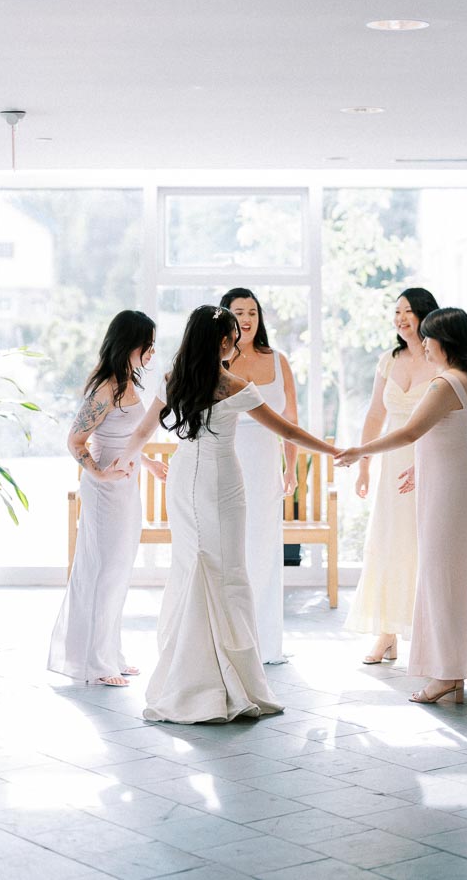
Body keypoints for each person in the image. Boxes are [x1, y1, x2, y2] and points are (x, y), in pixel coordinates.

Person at [116, 304, 336, 723]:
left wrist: (125, 461)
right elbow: (287, 429)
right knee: (228, 571)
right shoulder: (233, 385)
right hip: (222, 481)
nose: (237, 342)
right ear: (221, 341)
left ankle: (189, 669)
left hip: (184, 478)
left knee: (193, 564)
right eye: (233, 336)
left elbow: (143, 430)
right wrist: (333, 450)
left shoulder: (173, 380)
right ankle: (225, 674)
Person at [336, 307, 467, 706]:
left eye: (428, 337)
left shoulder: (443, 384)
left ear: (445, 341)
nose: (423, 343)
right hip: (459, 483)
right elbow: (448, 439)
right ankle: (466, 665)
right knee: (463, 578)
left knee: (440, 581)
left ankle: (445, 675)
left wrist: (360, 451)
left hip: (448, 492)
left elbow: (409, 432)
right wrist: (421, 470)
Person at [48, 310, 168, 687]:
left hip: (125, 489)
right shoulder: (105, 388)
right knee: (103, 571)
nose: (151, 352)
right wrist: (99, 472)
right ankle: (96, 663)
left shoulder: (127, 383)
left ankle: (109, 652)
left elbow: (125, 437)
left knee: (118, 572)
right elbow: (75, 440)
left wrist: (146, 463)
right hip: (104, 493)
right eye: (147, 344)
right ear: (129, 343)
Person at [345, 287, 439, 663]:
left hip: (429, 459)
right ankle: (386, 633)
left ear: (425, 314)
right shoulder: (388, 359)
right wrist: (365, 464)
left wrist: (426, 464)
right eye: (396, 311)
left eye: (408, 311)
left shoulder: (438, 361)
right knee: (388, 541)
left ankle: (425, 631)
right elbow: (373, 415)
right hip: (391, 462)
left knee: (421, 543)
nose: (400, 318)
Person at [220, 287, 298, 664]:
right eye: (238, 311)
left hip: (266, 468)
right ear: (226, 317)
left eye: (252, 311)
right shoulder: (215, 361)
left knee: (264, 551)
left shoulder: (278, 360)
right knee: (231, 551)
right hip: (227, 468)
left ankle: (264, 642)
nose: (247, 318)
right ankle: (229, 638)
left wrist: (292, 468)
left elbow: (291, 421)